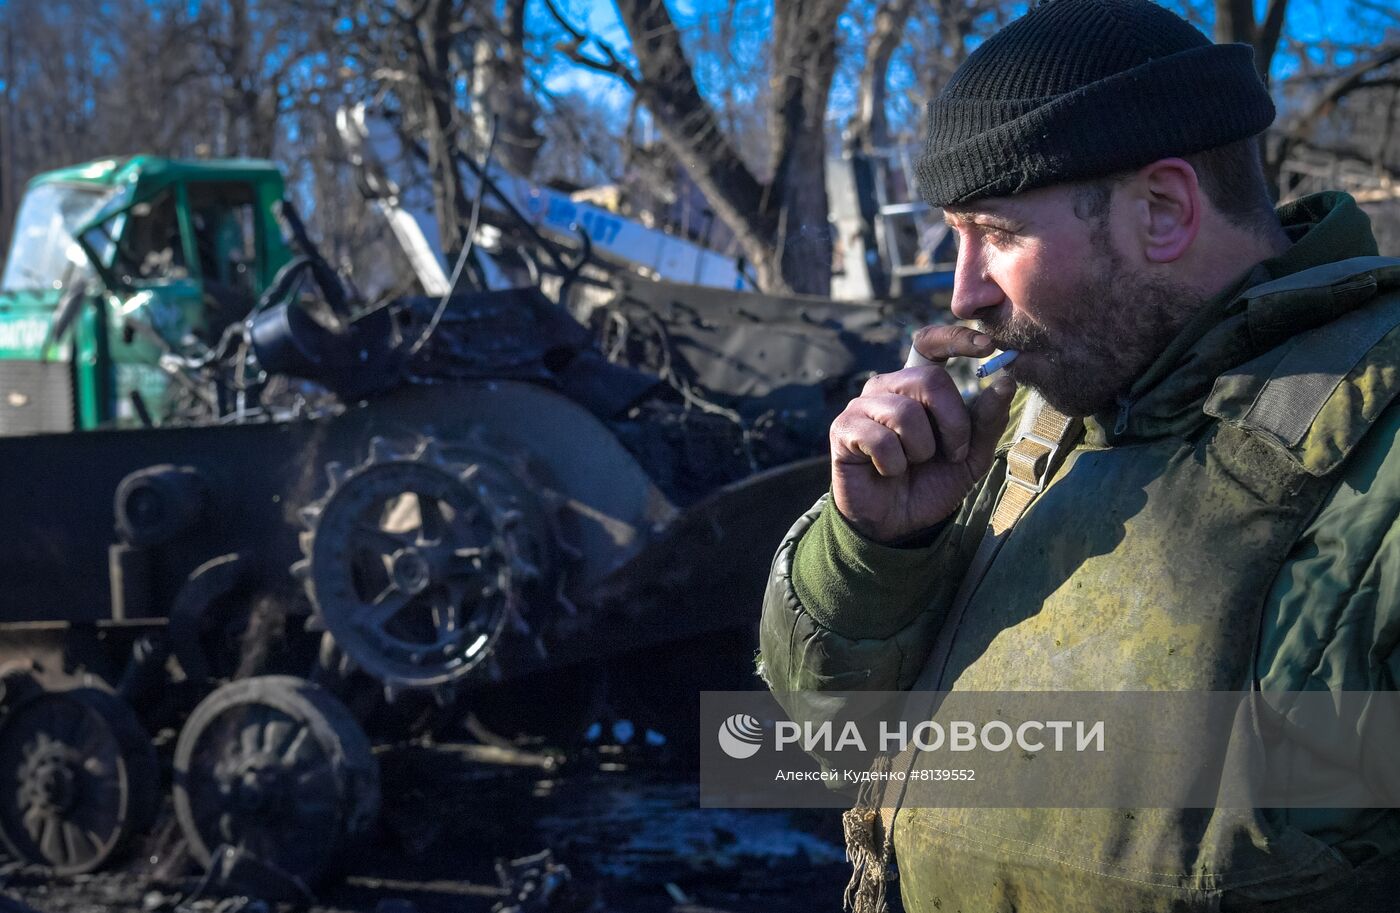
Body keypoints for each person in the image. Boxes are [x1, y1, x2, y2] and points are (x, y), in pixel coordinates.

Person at [757, 1, 1400, 911]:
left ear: (1165, 210)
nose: (963, 291)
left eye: (999, 234)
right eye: (955, 235)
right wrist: (874, 549)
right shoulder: (1024, 419)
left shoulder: (1382, 458)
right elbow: (825, 738)